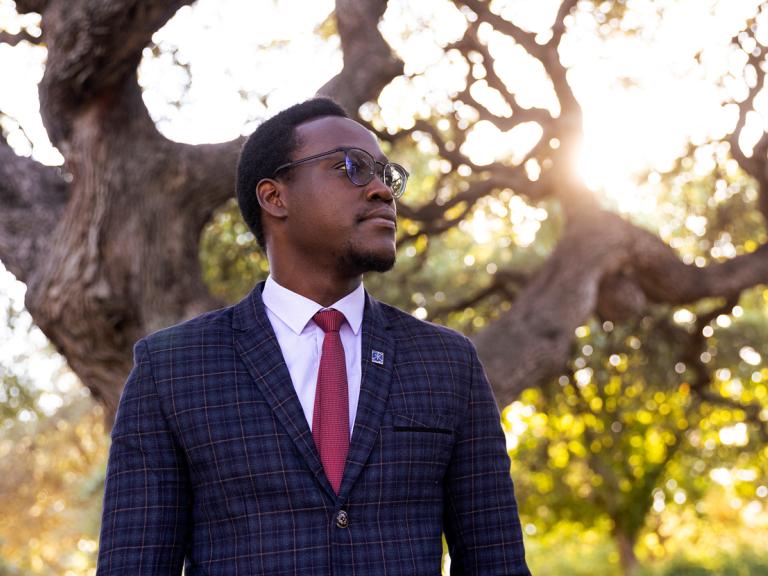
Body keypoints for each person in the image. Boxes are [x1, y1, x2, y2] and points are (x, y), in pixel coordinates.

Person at [97, 97, 530, 575]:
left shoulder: (448, 362)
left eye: (387, 176)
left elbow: (497, 562)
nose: (382, 192)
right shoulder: (171, 370)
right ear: (274, 197)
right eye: (352, 168)